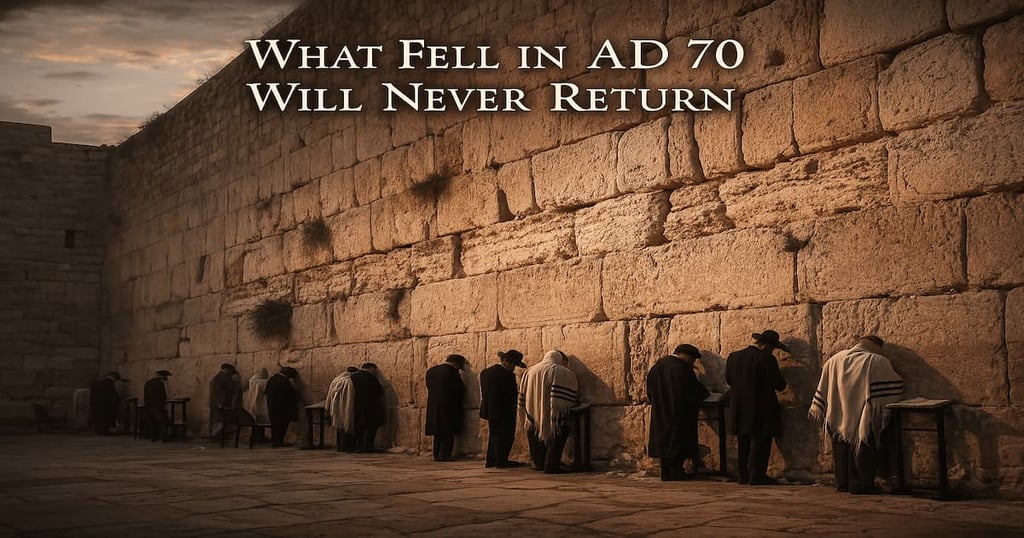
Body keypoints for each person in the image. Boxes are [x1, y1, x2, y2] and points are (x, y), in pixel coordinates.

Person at [810, 335, 904, 494]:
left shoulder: (834, 360)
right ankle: (861, 484)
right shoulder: (877, 361)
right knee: (864, 449)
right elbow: (896, 384)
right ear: (877, 347)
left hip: (837, 413)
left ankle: (842, 483)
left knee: (840, 448)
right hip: (863, 414)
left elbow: (823, 387)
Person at [726, 329, 788, 485]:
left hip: (739, 407)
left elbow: (729, 380)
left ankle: (743, 474)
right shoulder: (767, 359)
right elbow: (778, 384)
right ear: (766, 346)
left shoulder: (733, 357)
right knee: (760, 441)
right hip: (762, 407)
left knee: (743, 440)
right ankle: (756, 474)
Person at [647, 344, 710, 481]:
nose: (692, 363)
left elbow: (650, 393)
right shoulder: (682, 369)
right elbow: (694, 391)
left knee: (665, 442)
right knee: (678, 442)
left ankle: (665, 472)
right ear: (686, 356)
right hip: (679, 413)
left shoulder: (656, 367)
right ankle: (677, 472)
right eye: (692, 360)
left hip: (660, 413)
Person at [519, 349, 578, 474]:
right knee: (557, 433)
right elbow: (566, 398)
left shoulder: (530, 371)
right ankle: (551, 464)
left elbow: (522, 394)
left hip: (533, 411)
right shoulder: (561, 371)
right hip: (554, 411)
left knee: (535, 431)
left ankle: (539, 463)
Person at [480, 349, 527, 468]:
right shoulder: (507, 375)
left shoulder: (485, 372)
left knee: (494, 435)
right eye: (513, 364)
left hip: (490, 410)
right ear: (506, 361)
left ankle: (491, 460)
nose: (514, 368)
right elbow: (510, 394)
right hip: (504, 411)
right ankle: (501, 461)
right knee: (504, 437)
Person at [425, 354, 467, 462]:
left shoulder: (431, 371)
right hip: (449, 408)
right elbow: (458, 390)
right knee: (447, 433)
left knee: (437, 433)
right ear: (456, 364)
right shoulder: (452, 372)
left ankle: (436, 454)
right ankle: (444, 455)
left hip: (433, 407)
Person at [350, 362, 386, 453]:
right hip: (370, 408)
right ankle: (367, 448)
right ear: (371, 369)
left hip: (356, 407)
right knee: (370, 430)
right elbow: (379, 392)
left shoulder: (352, 377)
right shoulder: (371, 378)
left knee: (359, 429)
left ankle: (359, 446)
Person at [325, 366, 358, 452]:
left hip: (336, 407)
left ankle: (340, 447)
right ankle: (347, 447)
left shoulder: (336, 380)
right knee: (347, 425)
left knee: (339, 427)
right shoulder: (349, 381)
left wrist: (328, 407)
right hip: (346, 406)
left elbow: (329, 395)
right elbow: (350, 396)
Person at [265, 366, 300, 447]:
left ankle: (276, 442)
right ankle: (279, 442)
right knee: (281, 426)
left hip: (272, 407)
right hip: (283, 408)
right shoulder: (284, 382)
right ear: (287, 374)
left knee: (275, 425)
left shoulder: (271, 380)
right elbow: (291, 395)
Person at [208, 363, 241, 438]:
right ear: (227, 369)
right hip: (221, 403)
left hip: (213, 402)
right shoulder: (225, 377)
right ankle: (218, 436)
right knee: (221, 420)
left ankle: (212, 435)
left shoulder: (215, 378)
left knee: (214, 420)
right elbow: (233, 388)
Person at [143, 370, 171, 442]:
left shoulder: (148, 382)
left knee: (153, 421)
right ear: (163, 376)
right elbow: (163, 395)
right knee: (163, 420)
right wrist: (164, 404)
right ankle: (163, 437)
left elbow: (145, 394)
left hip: (149, 404)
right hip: (158, 405)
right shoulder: (161, 383)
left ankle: (154, 437)